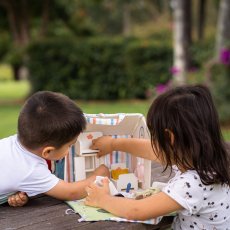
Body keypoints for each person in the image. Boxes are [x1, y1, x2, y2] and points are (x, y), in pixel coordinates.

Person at [85, 85, 230, 229]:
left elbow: (137, 210)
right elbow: (151, 150)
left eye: (156, 138)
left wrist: (102, 199)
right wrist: (113, 143)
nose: (154, 143)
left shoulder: (192, 184)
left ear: (170, 138)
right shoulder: (204, 161)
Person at [0, 91, 109, 207]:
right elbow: (71, 192)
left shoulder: (15, 142)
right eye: (69, 145)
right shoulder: (31, 170)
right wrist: (99, 176)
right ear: (47, 151)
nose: (70, 150)